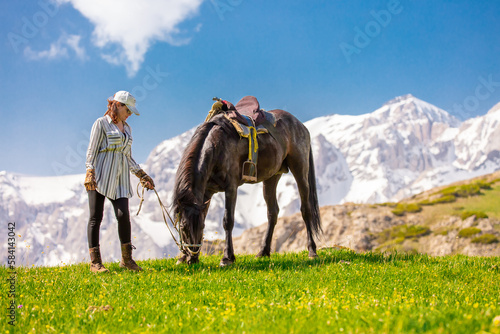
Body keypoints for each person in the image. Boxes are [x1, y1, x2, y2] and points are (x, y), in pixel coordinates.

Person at [84, 91, 155, 273]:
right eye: (128, 109)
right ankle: (95, 263)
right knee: (95, 217)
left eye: (131, 111)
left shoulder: (128, 129)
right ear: (117, 105)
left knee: (123, 216)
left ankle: (127, 260)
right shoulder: (101, 124)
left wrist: (141, 174)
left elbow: (127, 156)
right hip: (100, 176)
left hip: (120, 178)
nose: (130, 114)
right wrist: (89, 172)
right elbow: (91, 151)